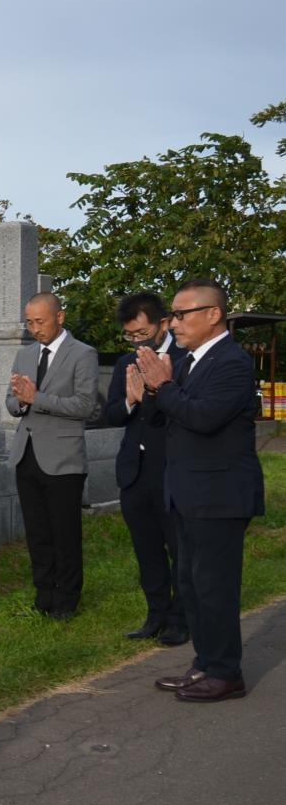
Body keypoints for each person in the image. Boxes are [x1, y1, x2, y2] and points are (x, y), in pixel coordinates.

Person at [138, 278, 264, 703]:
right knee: (190, 583)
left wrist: (165, 387)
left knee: (214, 586)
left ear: (213, 314)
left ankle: (227, 673)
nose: (173, 323)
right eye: (172, 314)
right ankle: (206, 663)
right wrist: (149, 393)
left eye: (182, 314)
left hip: (220, 494)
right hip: (189, 492)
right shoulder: (190, 361)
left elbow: (205, 417)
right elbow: (169, 418)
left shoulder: (232, 362)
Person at [6, 292, 99, 619]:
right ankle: (43, 594)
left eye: (40, 321)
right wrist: (20, 401)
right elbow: (11, 401)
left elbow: (87, 406)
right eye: (30, 322)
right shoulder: (25, 354)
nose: (35, 328)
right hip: (27, 454)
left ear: (60, 317)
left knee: (65, 533)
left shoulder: (83, 354)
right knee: (38, 532)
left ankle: (67, 599)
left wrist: (38, 398)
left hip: (63, 457)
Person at [103, 292, 188, 645]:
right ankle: (155, 615)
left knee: (179, 549)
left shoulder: (185, 359)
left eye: (141, 332)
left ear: (162, 323)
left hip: (171, 470)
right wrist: (130, 399)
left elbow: (182, 413)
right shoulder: (126, 362)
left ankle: (181, 618)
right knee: (146, 548)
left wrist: (155, 393)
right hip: (133, 470)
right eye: (130, 335)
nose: (136, 340)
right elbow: (109, 413)